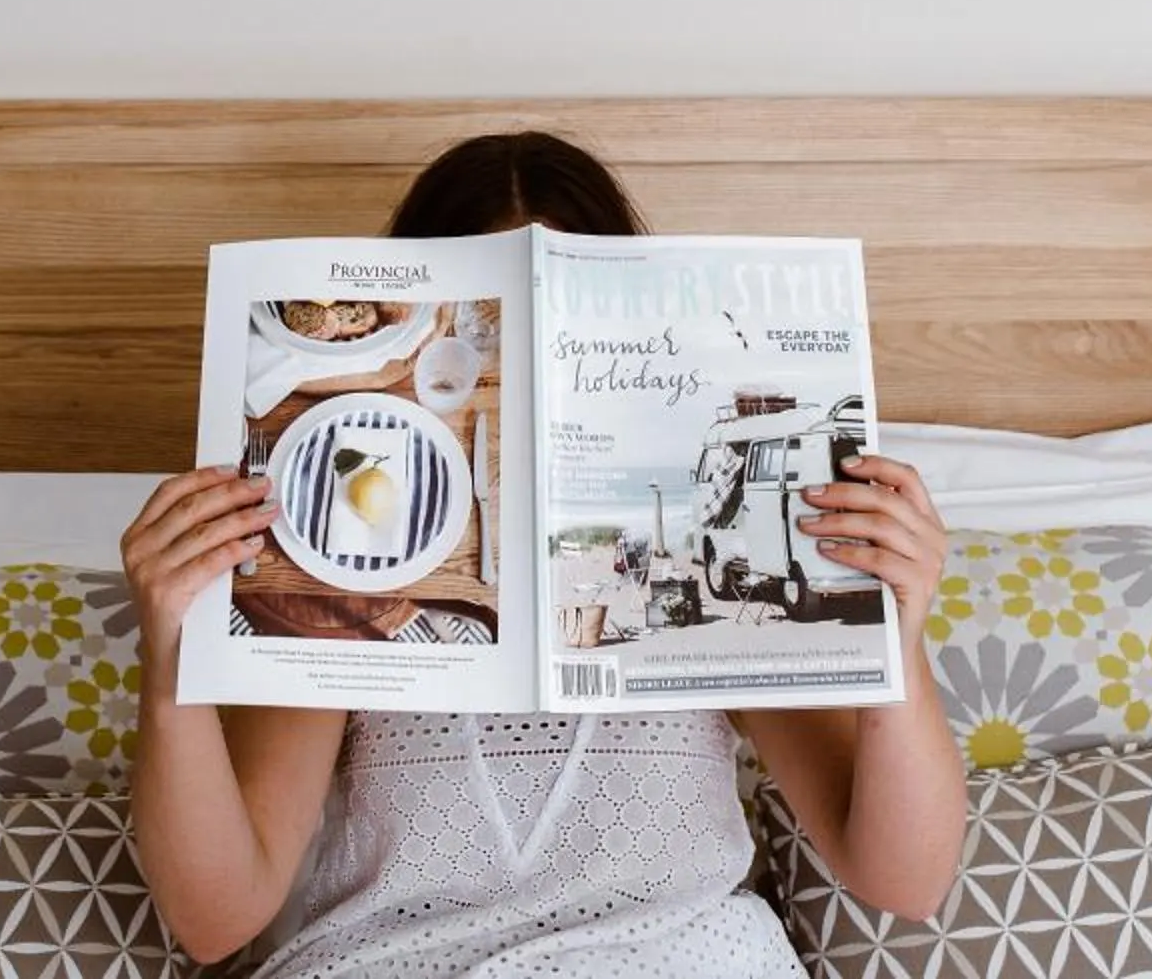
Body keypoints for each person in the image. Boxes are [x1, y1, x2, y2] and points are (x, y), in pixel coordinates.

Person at [121, 132, 965, 976]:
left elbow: (905, 879)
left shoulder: (708, 571)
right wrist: (169, 662)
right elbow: (216, 918)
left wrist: (896, 636)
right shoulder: (345, 572)